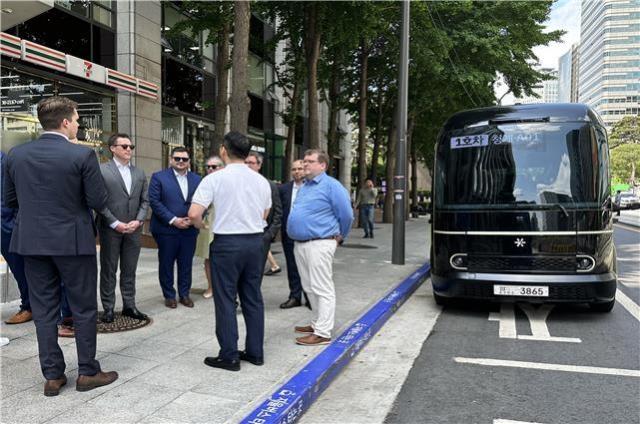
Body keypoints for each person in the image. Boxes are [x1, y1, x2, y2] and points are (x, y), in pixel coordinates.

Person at [3, 96, 118, 396]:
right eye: (77, 119)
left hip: (31, 242)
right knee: (82, 308)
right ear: (65, 122)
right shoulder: (82, 156)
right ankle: (88, 372)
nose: (79, 124)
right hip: (73, 242)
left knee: (43, 310)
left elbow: (10, 202)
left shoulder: (15, 155)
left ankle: (53, 376)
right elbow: (97, 201)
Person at [189, 131, 272, 372]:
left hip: (227, 244)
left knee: (225, 298)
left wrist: (201, 225)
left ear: (224, 150)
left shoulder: (215, 178)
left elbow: (195, 213)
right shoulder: (261, 180)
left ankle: (229, 355)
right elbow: (264, 214)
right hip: (255, 242)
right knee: (253, 297)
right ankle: (255, 352)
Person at [287, 149, 353, 346]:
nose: (305, 164)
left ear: (322, 165)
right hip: (301, 244)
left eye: (309, 161)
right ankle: (317, 323)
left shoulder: (332, 186)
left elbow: (347, 215)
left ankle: (323, 332)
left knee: (321, 287)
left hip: (320, 242)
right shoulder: (306, 186)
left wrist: (340, 237)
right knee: (308, 286)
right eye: (304, 161)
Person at [97, 133, 149, 323]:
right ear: (112, 148)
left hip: (133, 229)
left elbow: (145, 200)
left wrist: (139, 221)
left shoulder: (139, 173)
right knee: (109, 270)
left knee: (130, 269)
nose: (129, 150)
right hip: (111, 228)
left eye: (131, 147)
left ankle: (129, 305)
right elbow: (99, 201)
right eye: (124, 146)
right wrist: (114, 222)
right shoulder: (102, 170)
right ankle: (108, 308)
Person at [149, 147, 202, 309]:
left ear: (189, 162)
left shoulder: (197, 179)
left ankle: (184, 294)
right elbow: (155, 202)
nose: (180, 161)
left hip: (189, 229)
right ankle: (169, 295)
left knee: (186, 263)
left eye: (184, 159)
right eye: (177, 158)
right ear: (171, 159)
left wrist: (193, 219)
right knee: (166, 263)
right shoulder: (159, 177)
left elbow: (203, 201)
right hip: (167, 229)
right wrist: (173, 220)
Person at [1, 151, 32, 325]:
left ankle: (28, 306)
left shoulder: (5, 161)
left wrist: (8, 222)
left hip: (6, 226)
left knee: (20, 267)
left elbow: (10, 196)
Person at [278, 159, 310, 309]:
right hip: (289, 234)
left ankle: (310, 297)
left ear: (305, 170)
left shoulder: (312, 188)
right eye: (294, 169)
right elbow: (279, 211)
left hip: (308, 234)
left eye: (299, 169)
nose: (297, 172)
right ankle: (295, 296)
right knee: (292, 266)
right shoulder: (284, 189)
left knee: (309, 267)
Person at [244, 152, 282, 275]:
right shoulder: (237, 183)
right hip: (240, 236)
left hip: (261, 236)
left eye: (251, 163)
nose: (248, 165)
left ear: (259, 165)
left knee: (256, 274)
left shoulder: (269, 185)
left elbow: (277, 212)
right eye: (246, 162)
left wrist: (269, 234)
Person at [194, 156, 224, 299]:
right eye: (208, 167)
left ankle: (225, 288)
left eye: (215, 166)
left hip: (226, 224)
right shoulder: (205, 182)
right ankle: (211, 287)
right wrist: (200, 223)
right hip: (209, 222)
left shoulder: (229, 182)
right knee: (208, 257)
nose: (211, 169)